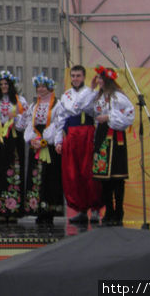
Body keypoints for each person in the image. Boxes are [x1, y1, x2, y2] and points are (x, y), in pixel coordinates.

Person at [53, 64, 101, 225]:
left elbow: (86, 109)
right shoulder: (66, 95)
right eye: (73, 76)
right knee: (73, 174)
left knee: (88, 172)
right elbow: (61, 119)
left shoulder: (92, 92)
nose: (75, 79)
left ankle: (94, 209)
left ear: (84, 77)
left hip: (87, 134)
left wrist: (97, 139)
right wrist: (58, 140)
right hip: (72, 136)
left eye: (78, 76)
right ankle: (80, 209)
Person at [90, 65, 135, 226]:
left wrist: (109, 117)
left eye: (101, 78)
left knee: (117, 176)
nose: (99, 81)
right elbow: (85, 108)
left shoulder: (117, 97)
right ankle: (108, 209)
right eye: (98, 79)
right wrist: (91, 88)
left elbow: (129, 114)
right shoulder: (97, 96)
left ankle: (118, 210)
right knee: (104, 178)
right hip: (102, 135)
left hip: (115, 137)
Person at [0, 70, 28, 223]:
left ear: (11, 85)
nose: (4, 86)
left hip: (14, 140)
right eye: (1, 84)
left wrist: (15, 117)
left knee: (14, 171)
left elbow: (25, 123)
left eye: (6, 84)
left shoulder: (20, 101)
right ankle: (1, 209)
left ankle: (14, 209)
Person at [24, 74, 63, 225]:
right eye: (38, 87)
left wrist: (46, 140)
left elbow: (58, 124)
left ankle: (49, 211)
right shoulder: (34, 106)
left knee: (49, 178)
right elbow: (29, 123)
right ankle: (38, 210)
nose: (40, 89)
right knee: (36, 178)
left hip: (49, 146)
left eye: (43, 86)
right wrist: (31, 139)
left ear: (50, 88)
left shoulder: (57, 105)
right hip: (36, 145)